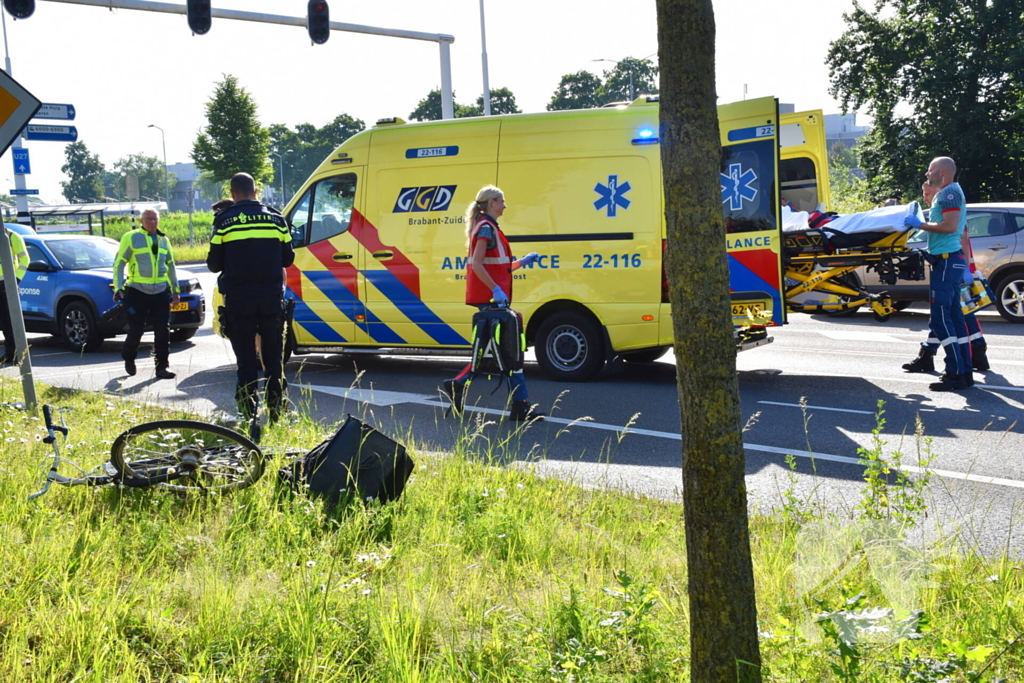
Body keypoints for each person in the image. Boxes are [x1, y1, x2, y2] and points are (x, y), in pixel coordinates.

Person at [442, 186, 545, 422]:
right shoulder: (486, 228)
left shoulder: (489, 228)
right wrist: (495, 289)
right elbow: (477, 264)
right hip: (491, 302)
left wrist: (521, 262)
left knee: (496, 355)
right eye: (501, 201)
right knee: (511, 353)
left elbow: (497, 266)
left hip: (493, 302)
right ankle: (520, 405)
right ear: (491, 203)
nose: (505, 205)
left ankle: (460, 384)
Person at [208, 172, 294, 423]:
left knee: (245, 357)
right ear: (256, 192)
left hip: (238, 300)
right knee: (272, 356)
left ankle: (248, 412)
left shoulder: (224, 221)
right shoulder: (277, 219)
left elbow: (213, 265)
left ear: (233, 194)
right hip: (270, 298)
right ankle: (276, 410)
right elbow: (288, 259)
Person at [903, 181, 989, 376]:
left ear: (936, 190)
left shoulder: (949, 204)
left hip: (953, 265)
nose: (924, 198)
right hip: (953, 264)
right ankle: (932, 356)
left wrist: (966, 270)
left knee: (951, 316)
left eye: (926, 193)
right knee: (945, 316)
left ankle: (971, 356)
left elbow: (962, 239)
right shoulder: (943, 209)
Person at [902, 157, 971, 391]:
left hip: (946, 262)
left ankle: (954, 373)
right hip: (951, 262)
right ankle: (964, 371)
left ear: (941, 172)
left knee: (941, 319)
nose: (926, 174)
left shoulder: (948, 194)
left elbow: (950, 227)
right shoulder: (953, 192)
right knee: (955, 318)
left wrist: (919, 225)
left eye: (929, 170)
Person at [113, 208, 179, 379]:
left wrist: (175, 291)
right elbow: (119, 263)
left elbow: (171, 266)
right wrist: (119, 287)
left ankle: (162, 367)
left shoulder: (164, 240)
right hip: (137, 290)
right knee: (136, 329)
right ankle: (128, 357)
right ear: (141, 221)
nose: (152, 223)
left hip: (160, 292)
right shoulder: (131, 237)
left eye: (155, 219)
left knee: (163, 330)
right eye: (148, 219)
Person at [0, 225, 29, 365]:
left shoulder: (12, 236)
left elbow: (25, 259)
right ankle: (9, 353)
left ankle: (19, 354)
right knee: (4, 322)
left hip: (8, 283)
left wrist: (15, 279)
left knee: (13, 321)